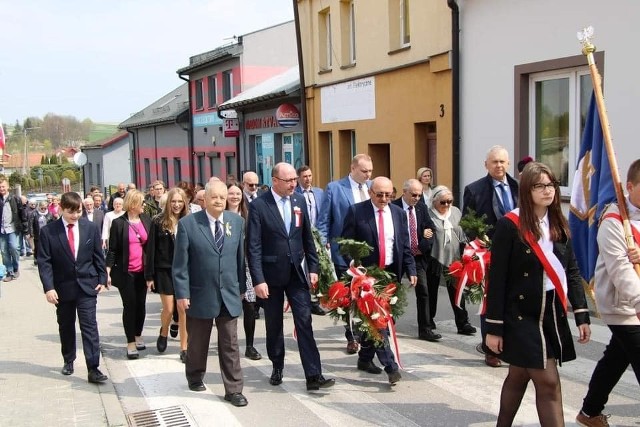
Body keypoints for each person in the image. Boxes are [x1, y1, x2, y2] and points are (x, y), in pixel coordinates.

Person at [485, 162, 591, 426]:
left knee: (519, 375)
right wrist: (494, 327)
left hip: (550, 311)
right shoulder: (510, 225)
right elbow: (496, 279)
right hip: (520, 315)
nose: (548, 190)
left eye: (552, 184)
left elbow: (572, 270)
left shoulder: (558, 222)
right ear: (526, 190)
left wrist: (581, 313)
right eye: (540, 186)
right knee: (548, 381)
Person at [247, 162, 335, 391]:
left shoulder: (298, 201)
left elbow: (307, 237)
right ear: (275, 181)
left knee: (304, 322)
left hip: (297, 272)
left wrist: (313, 268)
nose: (293, 184)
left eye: (295, 180)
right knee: (274, 324)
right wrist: (258, 280)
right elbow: (253, 246)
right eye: (289, 181)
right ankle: (277, 365)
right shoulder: (259, 206)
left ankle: (314, 374)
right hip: (271, 275)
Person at [576, 159, 640, 427]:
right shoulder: (614, 220)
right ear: (629, 186)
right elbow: (620, 270)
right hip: (623, 306)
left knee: (616, 358)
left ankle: (589, 412)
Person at [173, 180, 248, 406]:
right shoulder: (188, 224)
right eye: (214, 197)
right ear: (204, 199)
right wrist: (182, 293)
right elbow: (180, 264)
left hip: (229, 293)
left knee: (230, 343)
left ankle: (234, 389)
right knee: (198, 341)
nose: (218, 201)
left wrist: (241, 289)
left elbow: (239, 259)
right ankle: (194, 375)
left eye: (222, 198)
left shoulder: (237, 222)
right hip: (200, 292)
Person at [342, 176, 417, 384]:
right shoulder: (357, 212)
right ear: (370, 193)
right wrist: (355, 268)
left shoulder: (399, 214)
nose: (384, 199)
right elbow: (345, 244)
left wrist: (411, 270)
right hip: (367, 276)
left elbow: (404, 246)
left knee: (382, 319)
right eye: (379, 195)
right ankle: (390, 366)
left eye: (388, 195)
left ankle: (365, 358)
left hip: (391, 274)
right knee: (378, 320)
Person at [37, 192, 108, 384]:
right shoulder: (48, 232)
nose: (75, 216)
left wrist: (103, 277)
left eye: (78, 212)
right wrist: (48, 288)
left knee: (90, 327)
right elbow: (44, 262)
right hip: (62, 288)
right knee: (66, 326)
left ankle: (93, 368)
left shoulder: (90, 228)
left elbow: (97, 255)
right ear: (61, 208)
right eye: (71, 212)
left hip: (87, 286)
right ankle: (68, 359)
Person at [463, 145, 519, 368]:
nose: (499, 166)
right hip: (489, 254)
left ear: (508, 164)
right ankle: (490, 349)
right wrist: (478, 247)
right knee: (491, 301)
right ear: (486, 164)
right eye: (494, 162)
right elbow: (467, 223)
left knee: (514, 300)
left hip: (517, 252)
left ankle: (512, 345)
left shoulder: (519, 187)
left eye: (502, 162)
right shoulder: (475, 189)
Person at [316, 153, 374, 353]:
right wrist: (321, 247)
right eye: (364, 171)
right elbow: (323, 221)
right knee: (348, 296)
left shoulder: (373, 187)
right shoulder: (335, 188)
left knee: (367, 294)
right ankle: (352, 335)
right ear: (353, 168)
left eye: (370, 171)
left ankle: (369, 333)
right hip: (343, 252)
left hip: (369, 252)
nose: (368, 175)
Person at [106, 190, 153, 359]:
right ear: (133, 204)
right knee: (130, 306)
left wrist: (151, 273)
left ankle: (138, 335)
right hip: (126, 273)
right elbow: (112, 250)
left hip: (143, 272)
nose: (144, 205)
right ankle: (130, 342)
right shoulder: (119, 223)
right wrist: (108, 271)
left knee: (141, 305)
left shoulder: (147, 220)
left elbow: (151, 248)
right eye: (141, 202)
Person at [145, 188, 190, 361]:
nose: (177, 205)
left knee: (183, 309)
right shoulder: (158, 221)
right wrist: (149, 276)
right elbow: (151, 250)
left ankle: (184, 348)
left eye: (180, 201)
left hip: (185, 271)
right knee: (169, 308)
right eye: (174, 201)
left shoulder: (189, 221)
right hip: (164, 270)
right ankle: (164, 331)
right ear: (168, 203)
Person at [392, 179, 438, 341]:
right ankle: (388, 325)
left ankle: (425, 329)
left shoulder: (421, 208)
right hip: (397, 256)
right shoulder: (393, 207)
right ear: (404, 192)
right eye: (414, 194)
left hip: (417, 257)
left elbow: (431, 228)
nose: (417, 198)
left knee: (423, 291)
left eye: (419, 195)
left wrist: (422, 244)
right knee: (392, 291)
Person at [427, 186, 477, 336]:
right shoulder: (428, 213)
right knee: (431, 291)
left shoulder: (455, 212)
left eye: (449, 201)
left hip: (454, 257)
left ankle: (463, 323)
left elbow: (462, 232)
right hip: (434, 257)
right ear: (434, 201)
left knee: (457, 290)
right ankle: (428, 321)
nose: (447, 205)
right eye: (443, 202)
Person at [226, 183, 262, 361]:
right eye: (231, 193)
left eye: (237, 193)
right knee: (226, 308)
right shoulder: (221, 216)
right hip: (226, 266)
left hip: (245, 264)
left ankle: (249, 345)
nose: (234, 196)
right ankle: (228, 344)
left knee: (249, 304)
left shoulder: (248, 215)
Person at [295, 165, 326, 315]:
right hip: (301, 237)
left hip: (318, 236)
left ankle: (316, 300)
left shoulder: (319, 193)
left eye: (310, 176)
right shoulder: (295, 194)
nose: (308, 179)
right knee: (304, 268)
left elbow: (324, 214)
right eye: (304, 176)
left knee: (317, 267)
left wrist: (322, 236)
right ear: (299, 178)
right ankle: (305, 297)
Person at [0, 178, 26, 282]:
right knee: (4, 251)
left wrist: (25, 229)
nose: (1, 188)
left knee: (14, 248)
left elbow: (22, 214)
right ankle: (9, 272)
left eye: (3, 186)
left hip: (12, 229)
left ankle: (15, 267)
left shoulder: (15, 198)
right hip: (2, 230)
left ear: (8, 187)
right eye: (0, 186)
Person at [29, 201, 54, 266]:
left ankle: (46, 259)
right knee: (37, 247)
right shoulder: (34, 214)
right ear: (39, 207)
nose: (43, 210)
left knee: (47, 247)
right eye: (42, 208)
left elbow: (53, 223)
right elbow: (31, 224)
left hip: (47, 233)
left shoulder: (50, 214)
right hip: (37, 233)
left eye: (45, 208)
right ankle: (36, 258)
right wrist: (31, 234)